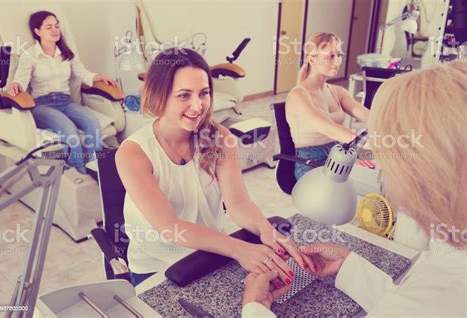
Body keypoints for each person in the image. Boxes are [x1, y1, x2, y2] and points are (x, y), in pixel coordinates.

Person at [242, 61, 467, 317]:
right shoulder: (451, 255)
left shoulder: (443, 296)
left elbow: (415, 306)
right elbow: (408, 301)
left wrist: (254, 308)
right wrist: (349, 266)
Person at [115, 48, 314, 287]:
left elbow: (238, 203)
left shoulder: (220, 138)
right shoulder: (133, 153)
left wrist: (266, 230)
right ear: (159, 96)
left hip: (209, 252)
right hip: (157, 266)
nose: (198, 106)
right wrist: (239, 249)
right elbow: (170, 228)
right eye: (184, 95)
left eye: (204, 93)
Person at [8, 10, 117, 174]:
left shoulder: (66, 53)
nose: (55, 30)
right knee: (69, 130)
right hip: (42, 105)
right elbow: (20, 81)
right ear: (37, 32)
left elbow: (82, 73)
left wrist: (98, 76)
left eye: (57, 26)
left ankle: (96, 166)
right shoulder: (29, 55)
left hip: (66, 102)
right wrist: (15, 84)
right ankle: (79, 168)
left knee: (92, 122)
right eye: (49, 27)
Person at [286, 32, 369, 180]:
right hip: (310, 164)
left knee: (375, 177)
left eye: (339, 55)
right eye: (330, 56)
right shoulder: (298, 95)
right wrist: (365, 148)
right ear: (312, 59)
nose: (337, 61)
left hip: (339, 156)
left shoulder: (338, 91)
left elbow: (368, 116)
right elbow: (328, 128)